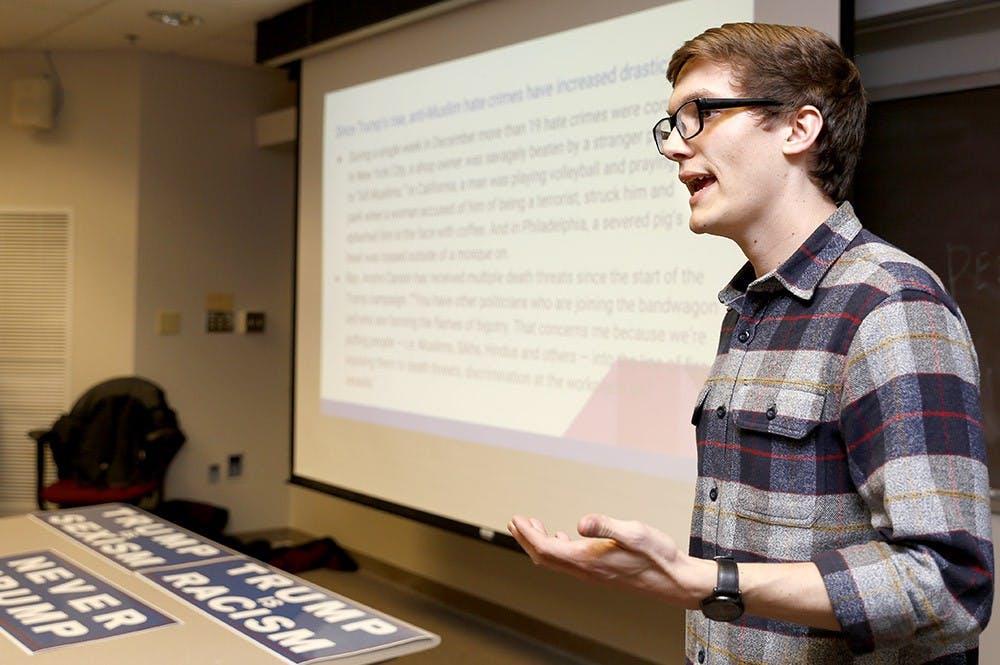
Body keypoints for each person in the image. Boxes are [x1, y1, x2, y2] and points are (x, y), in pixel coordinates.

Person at [508, 22, 993, 664]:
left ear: (798, 128)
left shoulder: (891, 303)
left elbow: (947, 586)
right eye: (672, 124)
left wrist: (712, 582)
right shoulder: (750, 307)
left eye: (700, 114)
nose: (675, 149)